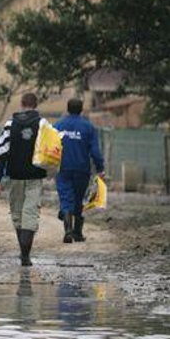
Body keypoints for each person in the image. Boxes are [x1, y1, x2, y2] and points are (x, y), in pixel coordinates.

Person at [0, 92, 49, 266]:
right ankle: (25, 255)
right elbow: (52, 148)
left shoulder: (10, 124)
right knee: (31, 213)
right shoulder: (43, 124)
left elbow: (1, 151)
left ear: (22, 104)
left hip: (15, 176)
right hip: (35, 176)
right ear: (35, 105)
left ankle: (22, 252)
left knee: (17, 213)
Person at [54, 98, 105, 243]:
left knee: (66, 197)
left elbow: (50, 147)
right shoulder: (88, 127)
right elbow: (95, 151)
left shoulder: (58, 125)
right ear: (81, 109)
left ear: (67, 108)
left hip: (63, 168)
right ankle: (77, 232)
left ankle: (68, 231)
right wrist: (100, 168)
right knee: (78, 198)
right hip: (82, 169)